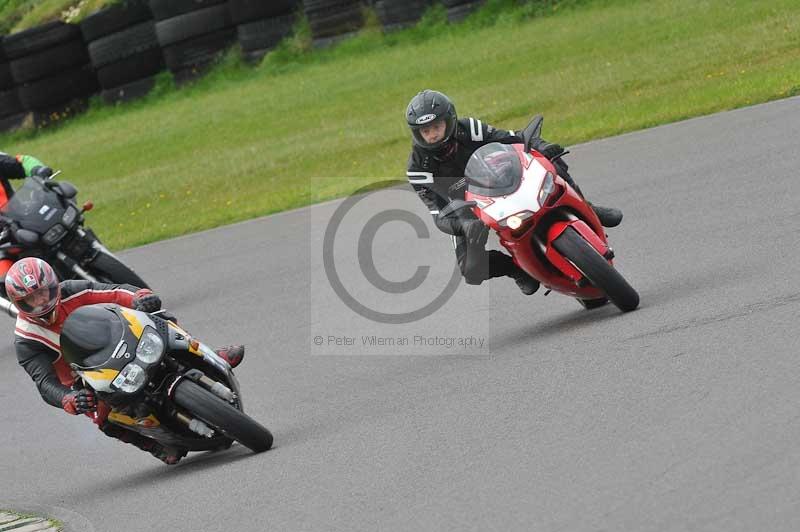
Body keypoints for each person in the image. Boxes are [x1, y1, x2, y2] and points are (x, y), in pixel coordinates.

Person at [7, 257, 246, 465]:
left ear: (53, 284)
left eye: (43, 292)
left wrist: (140, 297)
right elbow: (44, 383)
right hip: (85, 376)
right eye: (31, 299)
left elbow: (114, 291)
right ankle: (153, 446)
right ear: (20, 303)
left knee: (157, 318)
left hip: (116, 338)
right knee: (102, 418)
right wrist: (68, 398)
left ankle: (203, 353)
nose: (40, 302)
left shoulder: (72, 290)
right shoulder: (27, 340)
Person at [405, 89, 623, 295]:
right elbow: (438, 214)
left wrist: (540, 145)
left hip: (498, 179)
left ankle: (588, 208)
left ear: (449, 121)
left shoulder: (469, 128)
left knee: (551, 161)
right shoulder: (418, 169)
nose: (432, 134)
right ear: (417, 133)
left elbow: (513, 138)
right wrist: (464, 224)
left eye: (437, 127)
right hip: (466, 210)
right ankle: (516, 269)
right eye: (426, 131)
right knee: (471, 269)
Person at [0, 152, 54, 284]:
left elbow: (22, 162)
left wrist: (37, 169)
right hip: (2, 244)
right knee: (7, 282)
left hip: (20, 220)